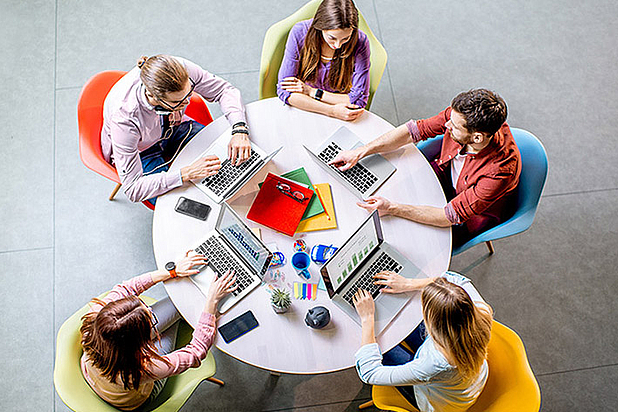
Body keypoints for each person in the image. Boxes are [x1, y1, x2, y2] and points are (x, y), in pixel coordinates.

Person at [331, 89, 521, 246]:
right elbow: (414, 130)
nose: (447, 124)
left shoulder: (499, 171)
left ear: (477, 137)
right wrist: (361, 151)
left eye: (453, 127)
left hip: (467, 215)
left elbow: (449, 216)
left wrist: (393, 208)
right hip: (444, 174)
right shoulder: (463, 116)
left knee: (404, 238)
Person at [80, 251, 236, 410]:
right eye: (149, 319)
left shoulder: (96, 316)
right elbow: (195, 353)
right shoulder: (142, 369)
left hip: (99, 371)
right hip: (137, 395)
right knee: (183, 315)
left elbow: (128, 287)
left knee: (181, 305)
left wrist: (172, 271)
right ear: (139, 342)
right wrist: (211, 302)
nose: (150, 310)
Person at [102, 54, 252, 205]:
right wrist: (187, 173)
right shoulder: (124, 119)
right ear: (152, 96)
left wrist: (239, 129)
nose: (187, 102)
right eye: (177, 101)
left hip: (174, 127)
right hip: (142, 152)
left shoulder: (179, 69)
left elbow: (224, 90)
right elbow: (133, 189)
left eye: (188, 93)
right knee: (184, 204)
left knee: (230, 159)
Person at [353, 271, 493, 412]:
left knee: (384, 346)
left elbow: (370, 373)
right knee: (397, 327)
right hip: (466, 376)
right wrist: (408, 284)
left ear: (434, 325)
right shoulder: (481, 311)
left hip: (439, 402)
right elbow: (452, 279)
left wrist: (367, 318)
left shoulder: (434, 364)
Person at [277, 0, 371, 121]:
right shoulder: (300, 32)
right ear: (321, 26)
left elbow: (358, 100)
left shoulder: (360, 41)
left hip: (335, 107)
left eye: (345, 38)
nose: (337, 45)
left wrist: (311, 91)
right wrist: (331, 111)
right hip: (309, 107)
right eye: (332, 38)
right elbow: (285, 91)